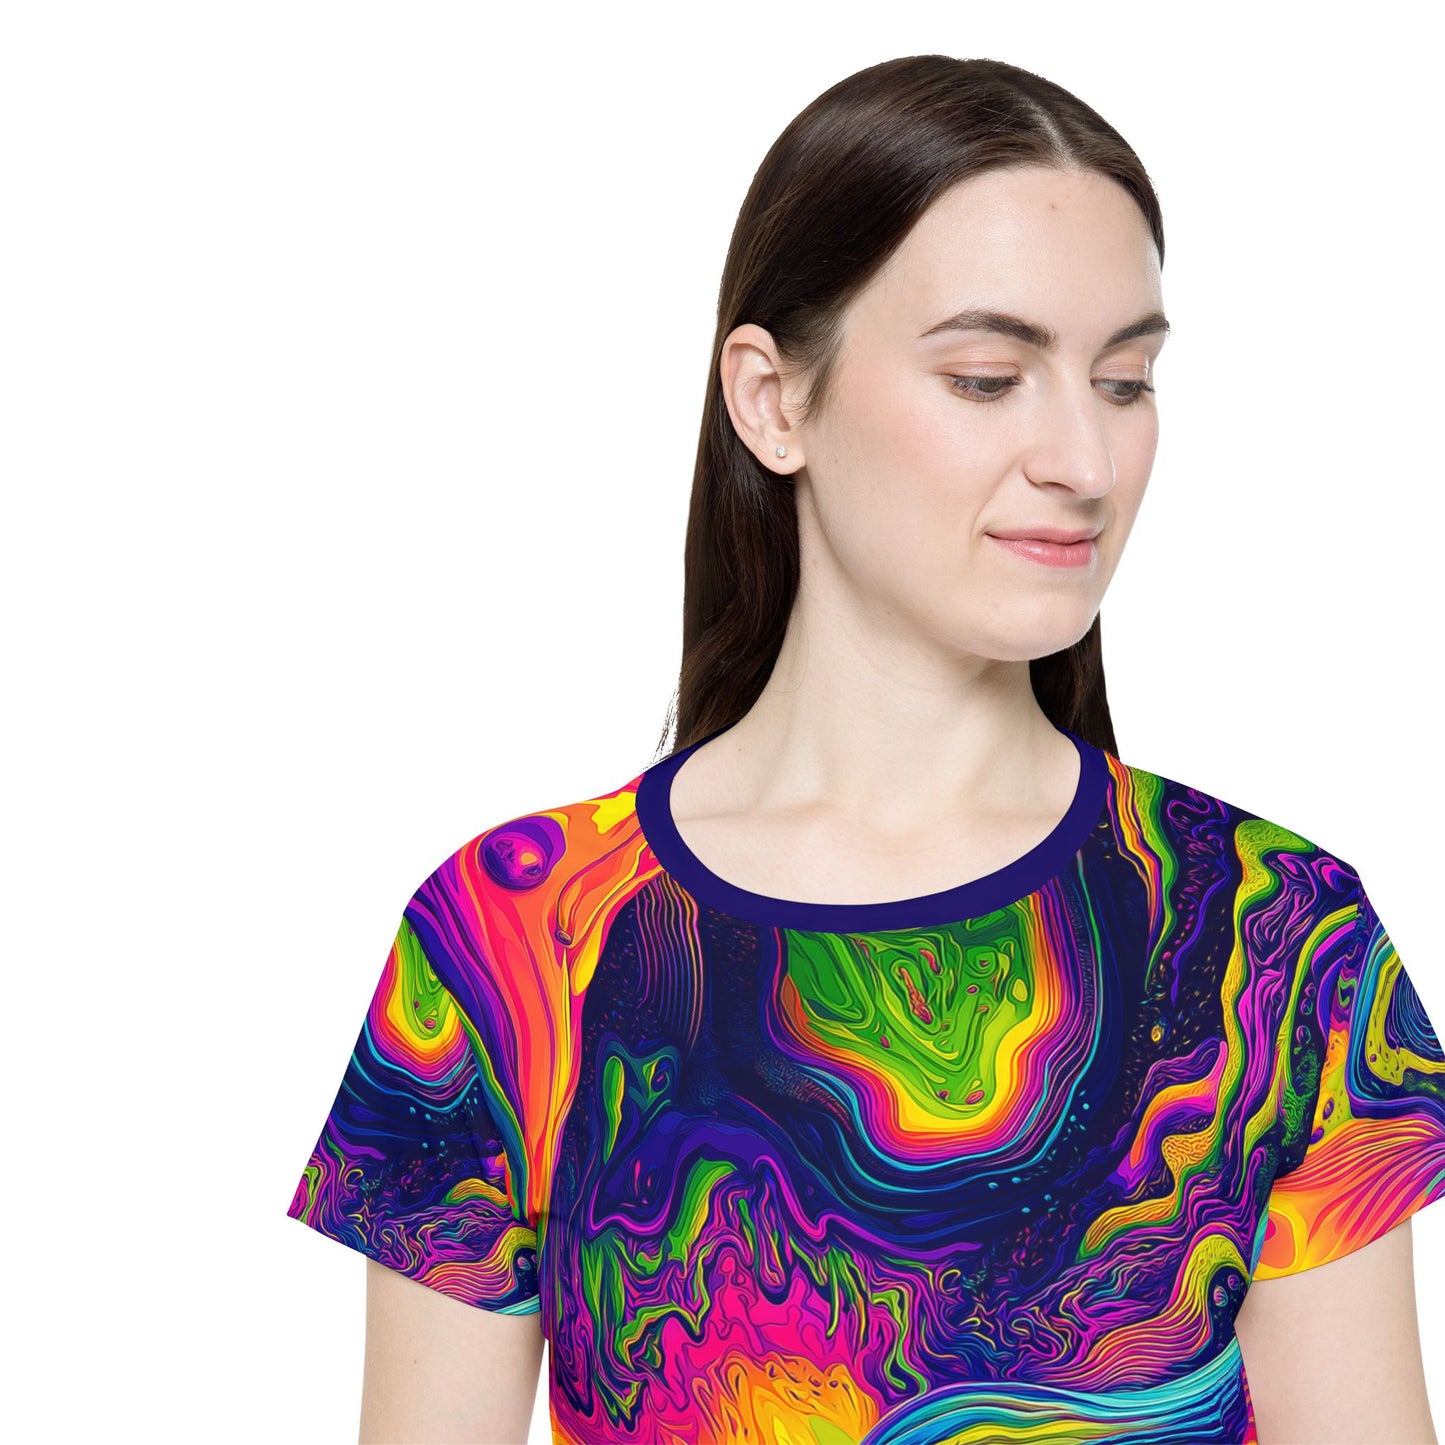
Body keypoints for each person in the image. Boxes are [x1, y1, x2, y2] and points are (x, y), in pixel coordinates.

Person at [284, 54, 1445, 1445]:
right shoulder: (514, 939)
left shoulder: (1271, 939)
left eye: (1124, 381)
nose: (1083, 460)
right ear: (772, 401)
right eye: (987, 378)